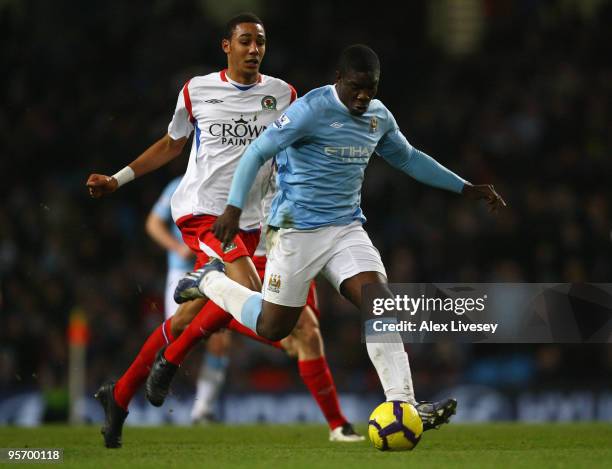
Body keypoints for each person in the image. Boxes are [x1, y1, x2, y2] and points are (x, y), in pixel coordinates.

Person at [161, 44, 507, 430]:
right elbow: (257, 151)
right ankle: (207, 281)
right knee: (273, 326)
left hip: (345, 230)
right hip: (295, 233)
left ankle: (404, 405)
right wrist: (234, 207)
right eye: (357, 87)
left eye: (371, 88)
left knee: (380, 304)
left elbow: (409, 158)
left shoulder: (378, 117)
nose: (363, 96)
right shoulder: (310, 109)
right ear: (339, 79)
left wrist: (466, 188)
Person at [87, 13, 361, 448]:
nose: (254, 50)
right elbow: (170, 144)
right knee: (253, 295)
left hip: (258, 223)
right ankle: (196, 305)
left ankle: (118, 397)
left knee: (234, 321)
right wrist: (117, 179)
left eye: (261, 43)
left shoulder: (283, 94)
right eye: (246, 42)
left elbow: (300, 150)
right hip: (206, 215)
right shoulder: (197, 91)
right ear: (226, 46)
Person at [146, 176, 229, 423]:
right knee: (178, 337)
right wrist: (176, 246)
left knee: (220, 340)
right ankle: (145, 391)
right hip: (182, 272)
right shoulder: (178, 185)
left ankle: (202, 410)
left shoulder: (225, 182)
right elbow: (153, 223)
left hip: (215, 271)